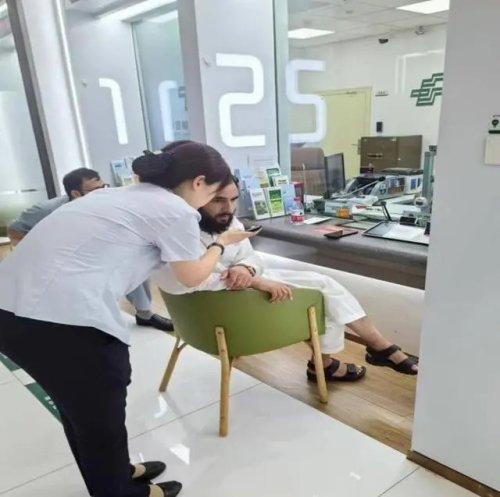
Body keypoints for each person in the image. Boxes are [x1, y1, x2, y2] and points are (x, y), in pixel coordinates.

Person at [0, 141, 255, 497]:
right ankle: (118, 491)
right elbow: (191, 276)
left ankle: (115, 473)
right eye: (214, 193)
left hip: (12, 309)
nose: (213, 202)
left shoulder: (118, 195)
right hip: (61, 320)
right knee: (98, 409)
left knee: (79, 408)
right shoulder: (176, 211)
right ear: (199, 182)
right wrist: (221, 243)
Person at [154, 176, 418, 381]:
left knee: (323, 284)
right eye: (218, 200)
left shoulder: (229, 223)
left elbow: (252, 257)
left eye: (234, 199)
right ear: (198, 197)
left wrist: (246, 270)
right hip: (227, 311)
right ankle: (349, 357)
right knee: (321, 297)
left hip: (226, 303)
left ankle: (371, 349)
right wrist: (255, 281)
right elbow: (194, 278)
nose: (229, 208)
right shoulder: (180, 234)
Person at [7, 167, 173, 332]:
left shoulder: (108, 204)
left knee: (131, 261)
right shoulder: (46, 209)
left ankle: (144, 314)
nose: (103, 192)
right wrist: (44, 248)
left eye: (103, 187)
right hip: (64, 256)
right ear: (75, 193)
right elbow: (14, 230)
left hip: (93, 248)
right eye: (95, 190)